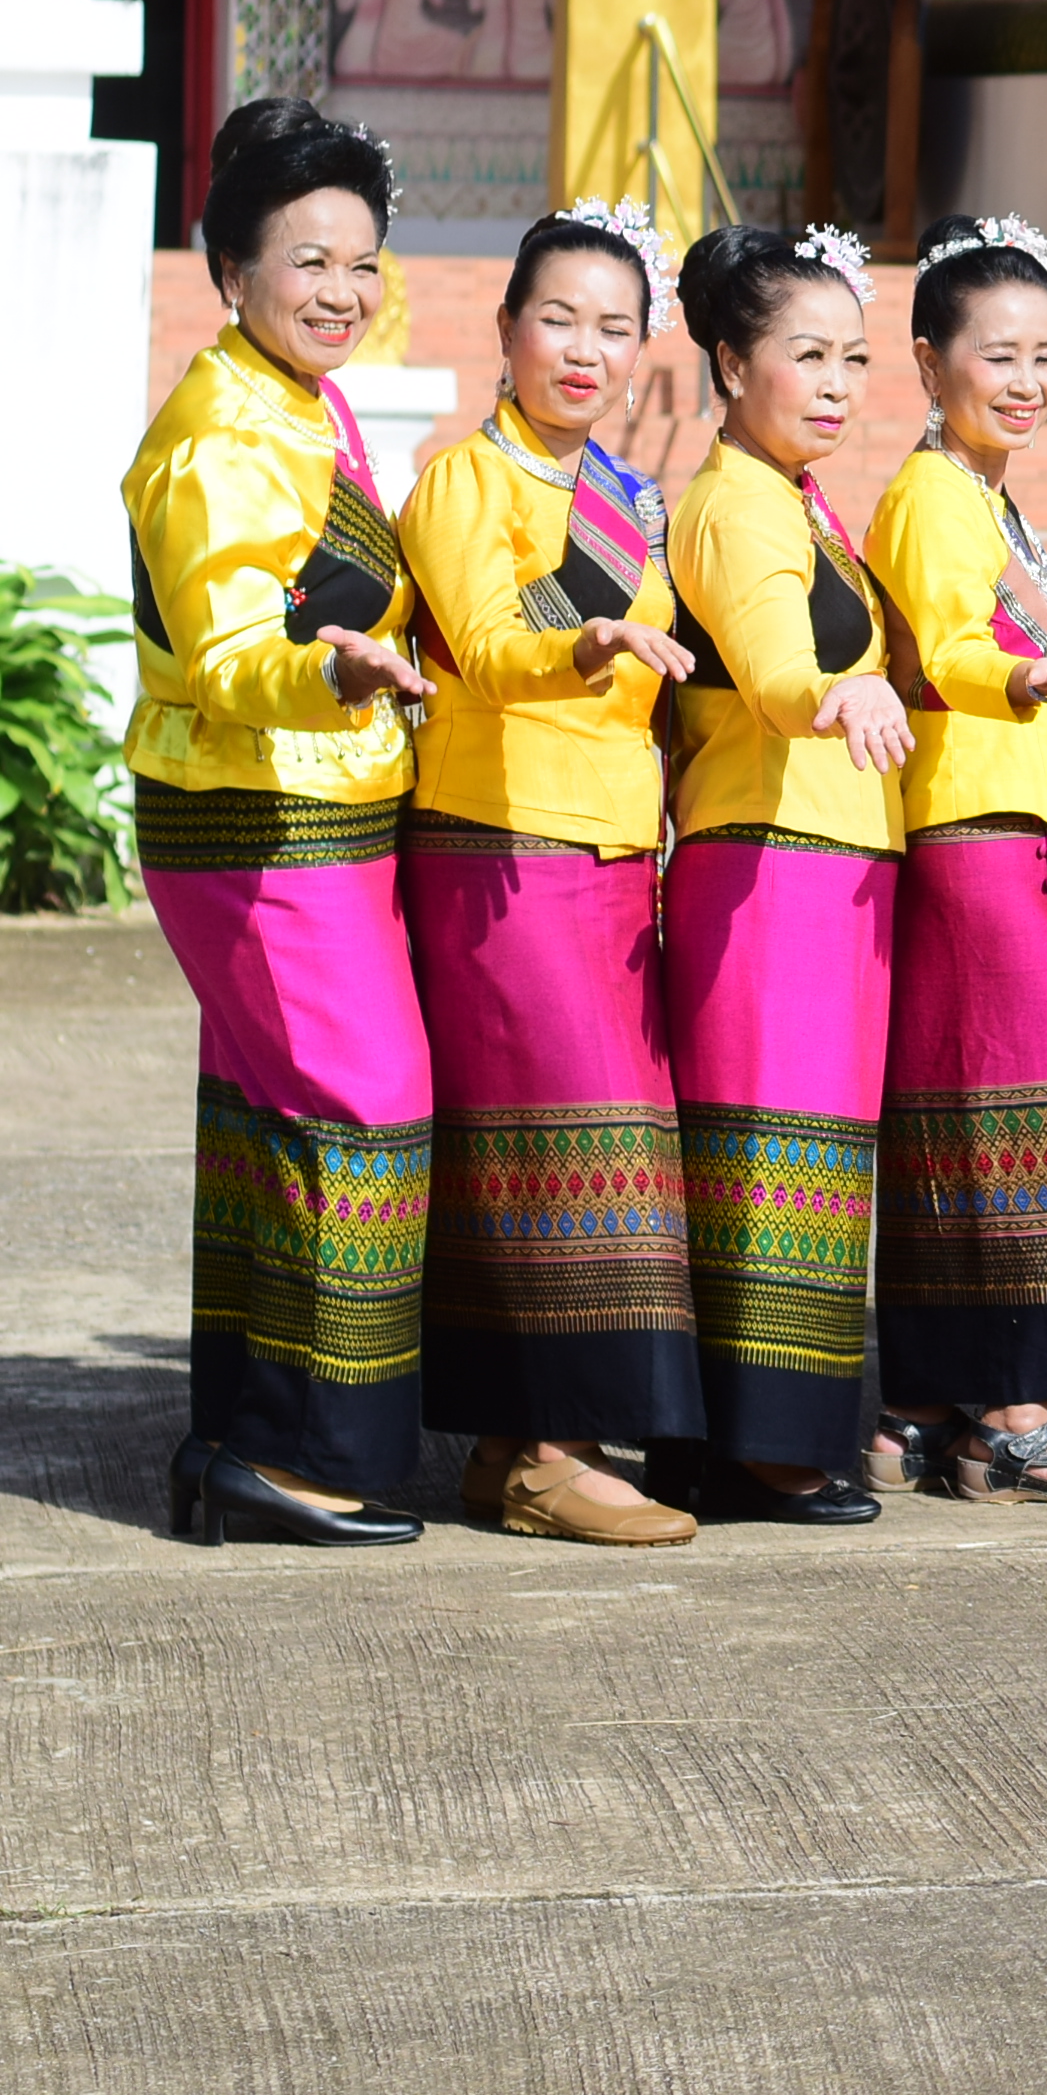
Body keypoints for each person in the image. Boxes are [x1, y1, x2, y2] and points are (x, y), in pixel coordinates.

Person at [132, 98, 440, 1548]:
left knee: (282, 1125)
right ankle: (306, 1457)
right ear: (230, 268)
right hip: (257, 819)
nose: (342, 292)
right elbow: (228, 650)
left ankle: (246, 1444)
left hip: (320, 816)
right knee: (364, 1113)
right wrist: (335, 666)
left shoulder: (296, 402)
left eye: (363, 262)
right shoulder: (216, 434)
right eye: (308, 261)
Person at [401, 203, 704, 1545]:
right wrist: (584, 647)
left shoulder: (633, 496)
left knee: (609, 1144)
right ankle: (543, 1452)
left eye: (614, 328)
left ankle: (527, 1449)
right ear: (506, 330)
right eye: (559, 321)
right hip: (501, 843)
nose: (585, 350)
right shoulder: (467, 481)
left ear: (644, 353)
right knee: (551, 1145)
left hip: (607, 858)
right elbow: (487, 633)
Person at [863, 215, 1047, 1503]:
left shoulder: (988, 494)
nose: (1027, 382)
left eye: (1046, 356)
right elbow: (948, 647)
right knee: (1015, 1124)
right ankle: (1010, 1404)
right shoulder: (928, 496)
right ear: (929, 364)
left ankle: (922, 1401)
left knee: (980, 1119)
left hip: (1025, 831)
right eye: (998, 355)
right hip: (980, 835)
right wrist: (1033, 674)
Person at [649, 224, 906, 1525]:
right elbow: (766, 666)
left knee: (799, 1158)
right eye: (806, 355)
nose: (838, 383)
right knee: (768, 1156)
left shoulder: (799, 499)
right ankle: (762, 1445)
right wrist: (837, 699)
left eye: (853, 358)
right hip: (773, 869)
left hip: (827, 864)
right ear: (730, 364)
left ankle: (746, 1432)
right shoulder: (735, 504)